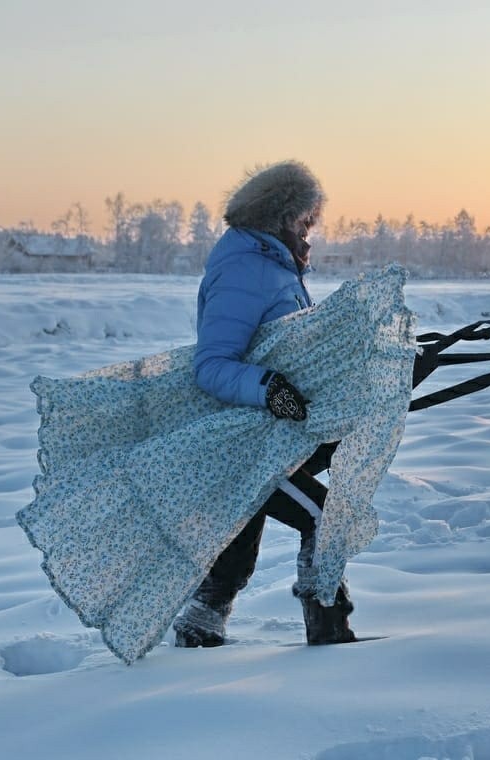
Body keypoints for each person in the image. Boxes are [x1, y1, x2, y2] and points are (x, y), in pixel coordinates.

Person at [173, 160, 357, 648]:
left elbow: (286, 347)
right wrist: (269, 388)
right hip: (241, 441)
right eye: (304, 224)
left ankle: (197, 633)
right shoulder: (245, 269)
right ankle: (329, 629)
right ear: (279, 219)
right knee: (324, 516)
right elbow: (211, 364)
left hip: (265, 435)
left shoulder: (271, 266)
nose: (310, 236)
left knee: (235, 555)